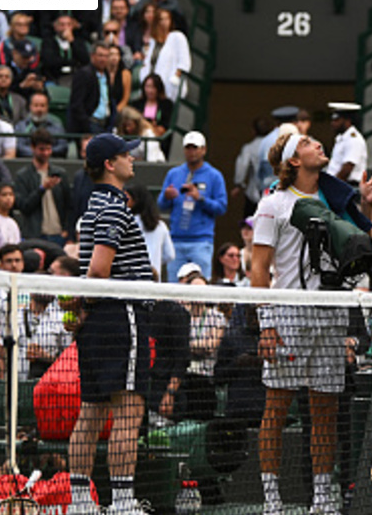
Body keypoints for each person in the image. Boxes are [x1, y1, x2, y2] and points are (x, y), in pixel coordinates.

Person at [253, 131, 372, 515]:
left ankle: (322, 498)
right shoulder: (272, 204)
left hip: (331, 314)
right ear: (293, 160)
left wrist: (368, 207)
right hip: (288, 316)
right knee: (276, 410)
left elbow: (362, 245)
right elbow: (259, 268)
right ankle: (272, 501)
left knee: (325, 412)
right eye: (308, 142)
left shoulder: (337, 202)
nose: (318, 145)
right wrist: (266, 324)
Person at [64, 134, 153, 515]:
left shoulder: (92, 207)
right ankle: (122, 502)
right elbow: (100, 271)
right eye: (125, 154)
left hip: (101, 319)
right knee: (129, 413)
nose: (132, 158)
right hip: (121, 314)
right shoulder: (115, 208)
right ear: (109, 165)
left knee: (92, 411)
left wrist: (83, 308)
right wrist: (86, 304)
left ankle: (81, 503)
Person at [157, 131, 226, 281]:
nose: (192, 152)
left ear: (204, 150)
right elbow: (161, 205)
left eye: (195, 148)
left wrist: (200, 198)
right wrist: (167, 196)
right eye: (188, 148)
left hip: (201, 240)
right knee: (173, 285)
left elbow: (221, 207)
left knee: (201, 283)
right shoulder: (174, 174)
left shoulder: (214, 176)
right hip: (176, 239)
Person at [13, 129, 72, 245]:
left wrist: (66, 230)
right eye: (41, 149)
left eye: (48, 149)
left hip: (58, 234)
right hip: (35, 235)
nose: (46, 153)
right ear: (32, 148)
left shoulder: (60, 173)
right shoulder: (22, 176)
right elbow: (24, 206)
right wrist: (42, 189)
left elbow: (69, 205)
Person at [15, 92, 68, 157]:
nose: (39, 109)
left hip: (52, 159)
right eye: (36, 105)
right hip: (27, 160)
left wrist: (46, 152)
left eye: (42, 106)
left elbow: (62, 146)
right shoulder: (21, 125)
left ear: (47, 107)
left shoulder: (56, 124)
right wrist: (38, 153)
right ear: (30, 107)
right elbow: (19, 147)